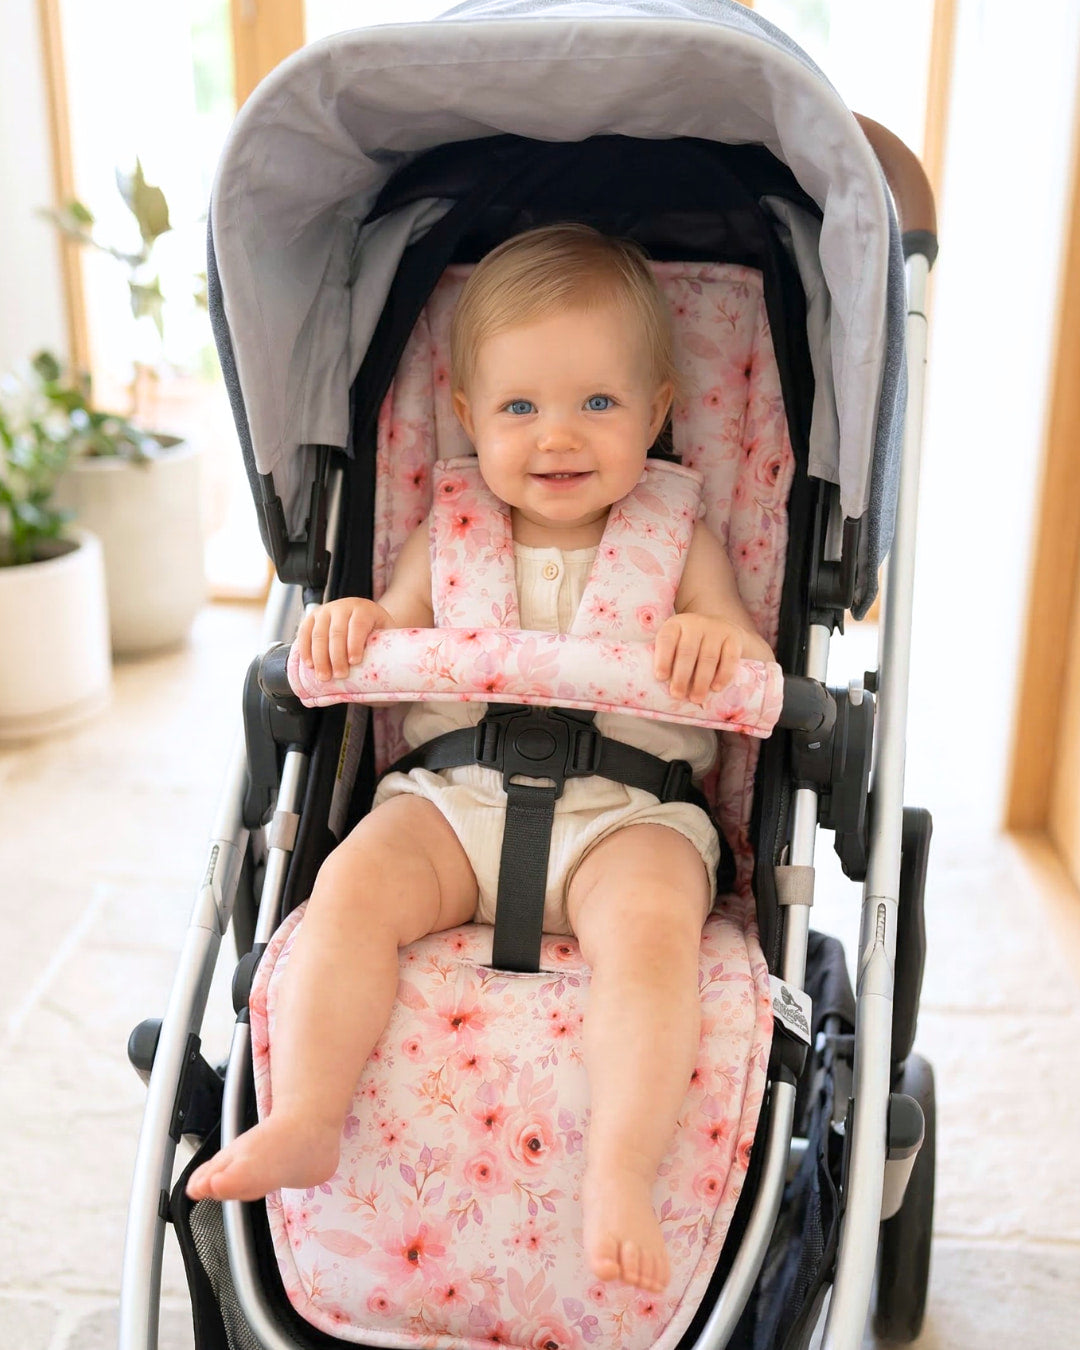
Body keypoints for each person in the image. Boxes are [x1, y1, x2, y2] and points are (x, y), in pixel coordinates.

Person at [187, 224, 774, 1293]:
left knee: (653, 940)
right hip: (455, 800)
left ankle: (621, 1170)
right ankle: (311, 1115)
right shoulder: (445, 528)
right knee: (350, 887)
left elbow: (739, 650)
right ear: (464, 418)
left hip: (630, 818)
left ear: (657, 412)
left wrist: (717, 641)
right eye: (519, 407)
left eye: (598, 404)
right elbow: (391, 637)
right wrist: (355, 620)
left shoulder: (679, 533)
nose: (558, 436)